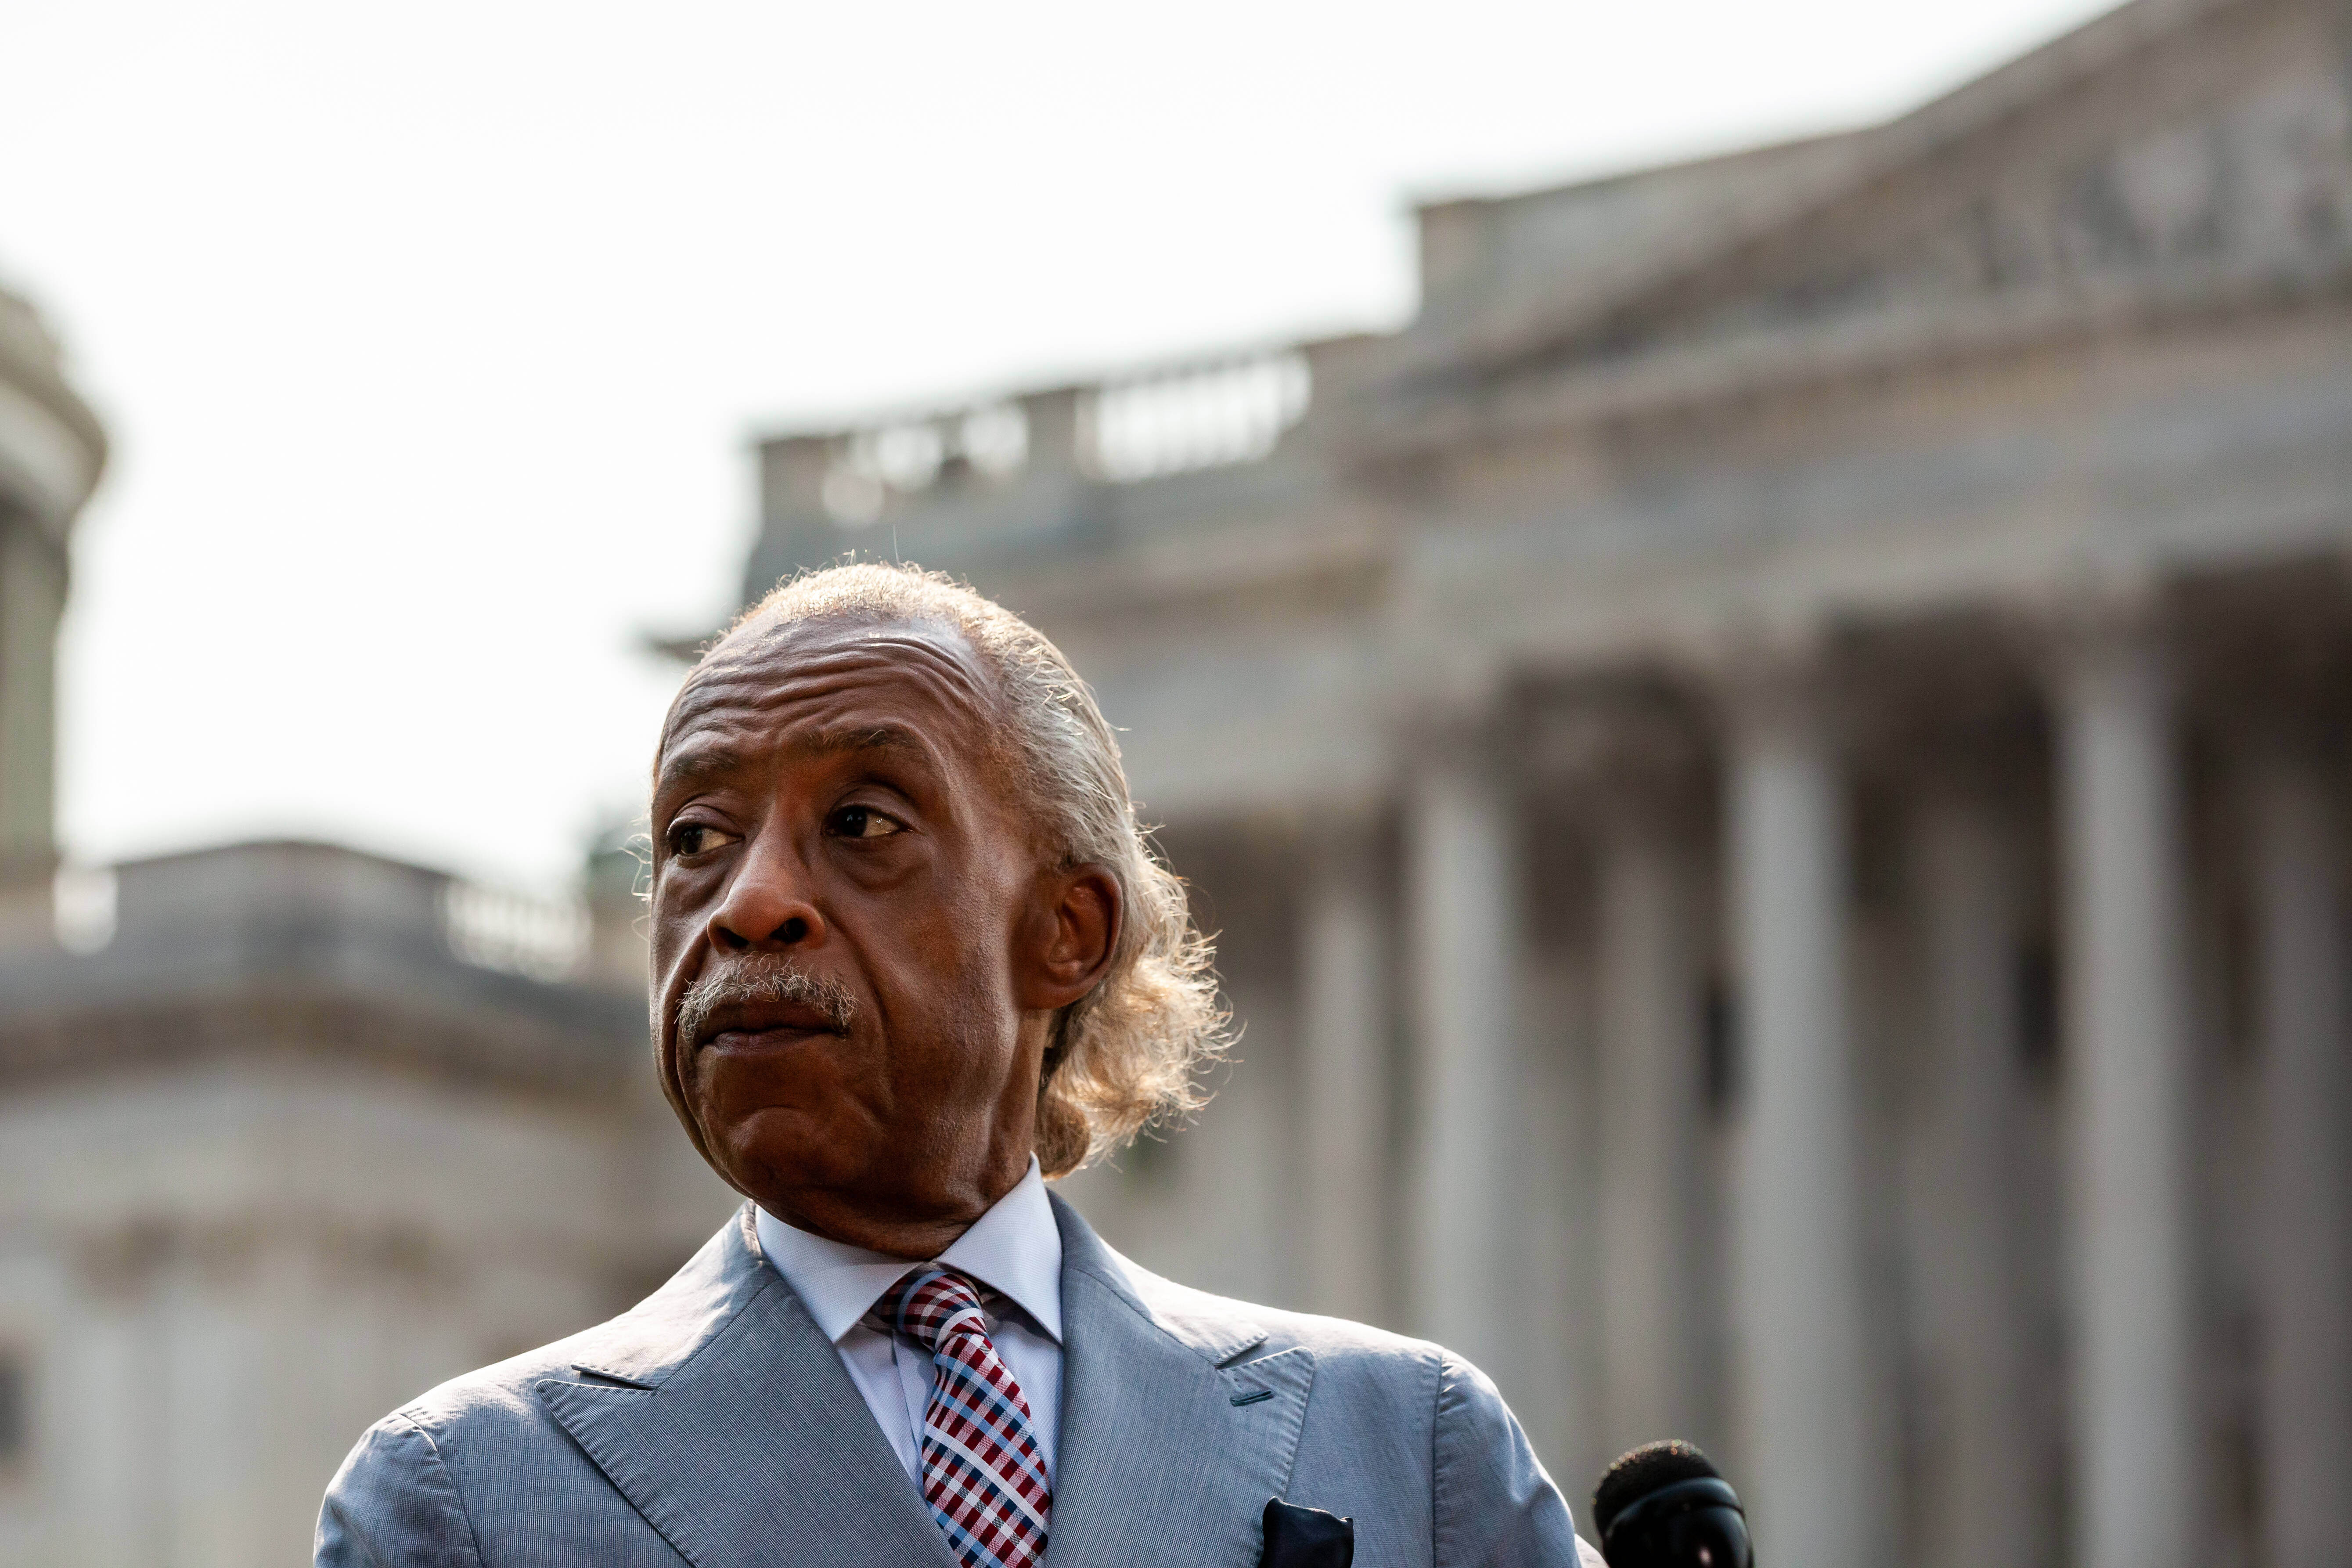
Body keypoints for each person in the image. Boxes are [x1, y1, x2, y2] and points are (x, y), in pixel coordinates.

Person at [316, 562, 1599, 1568]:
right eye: (697, 836)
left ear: (1068, 932)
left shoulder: (1409, 1445)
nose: (749, 901)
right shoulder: (457, 1499)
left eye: (863, 823)